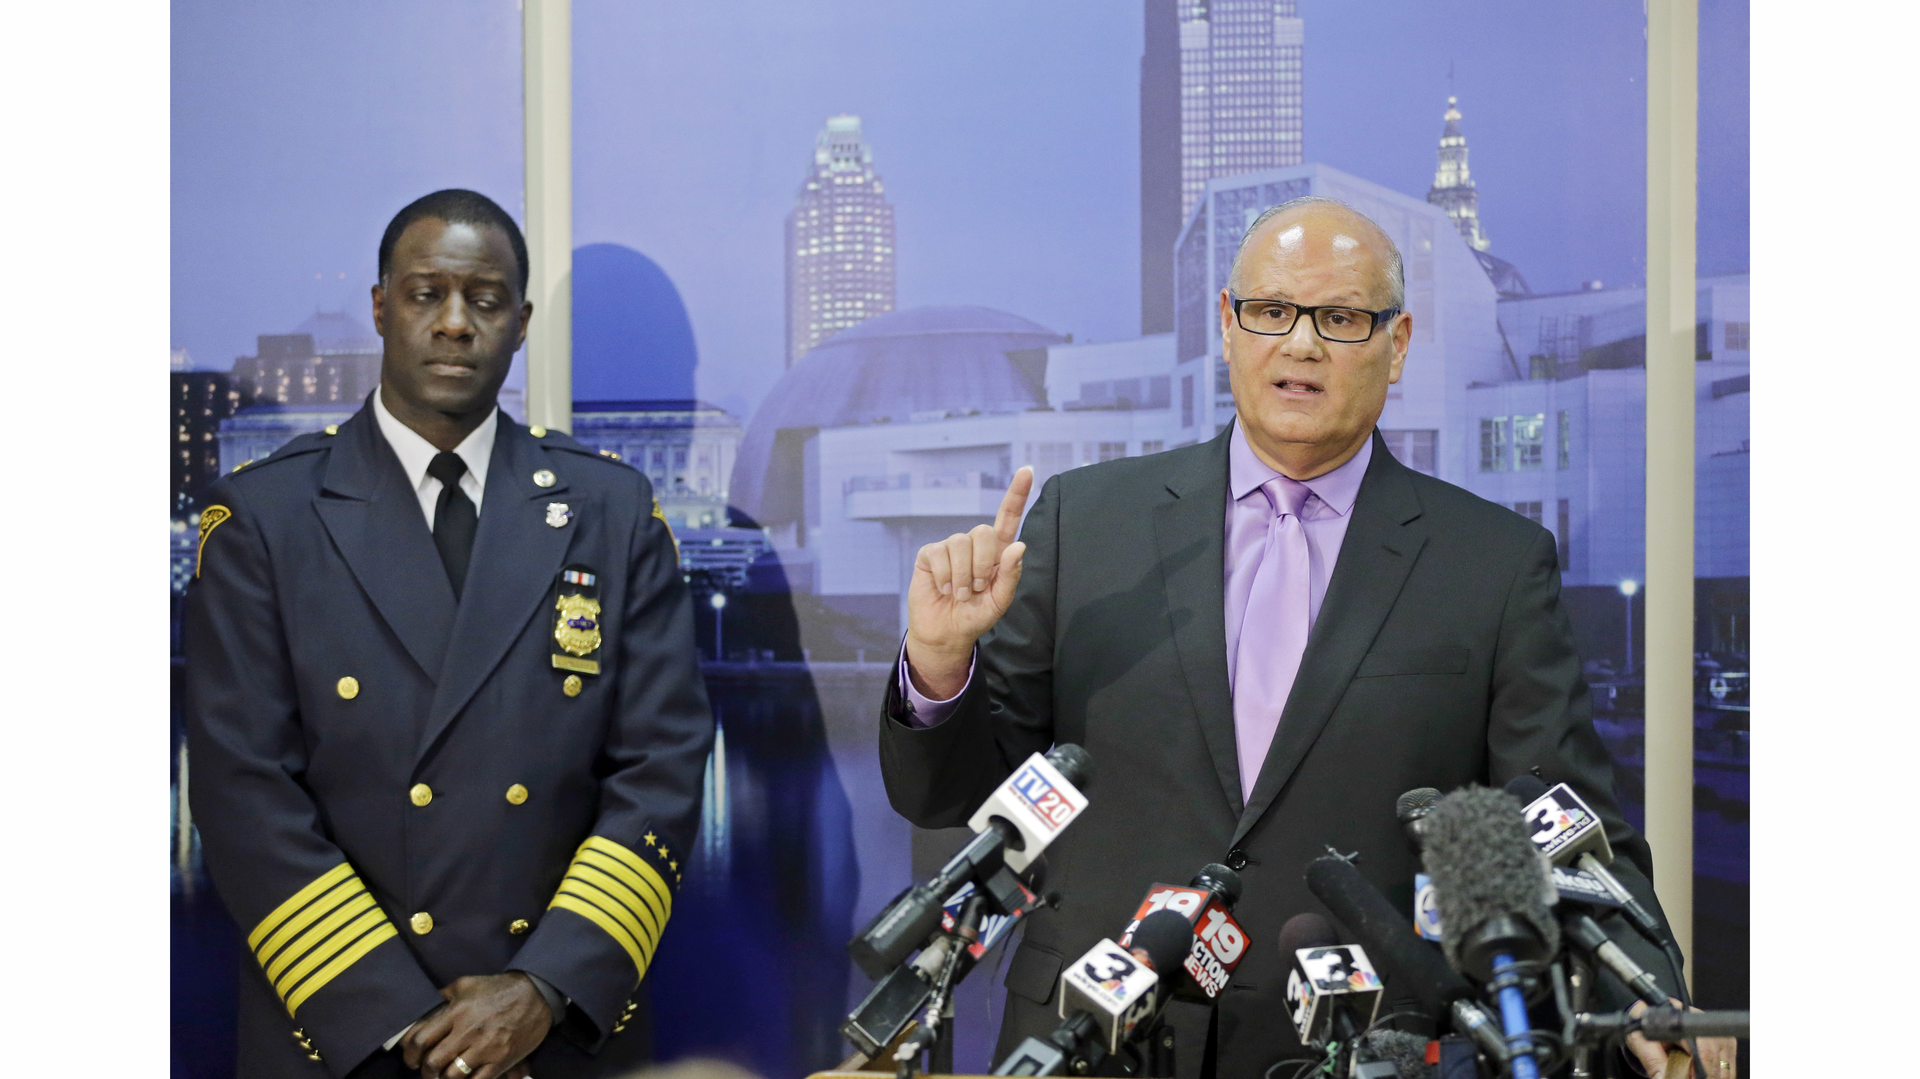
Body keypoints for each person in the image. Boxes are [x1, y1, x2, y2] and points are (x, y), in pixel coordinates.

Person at [879, 196, 1736, 1077]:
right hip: (1091, 1038)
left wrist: (1653, 990)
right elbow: (955, 800)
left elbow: (1564, 823)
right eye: (1272, 311)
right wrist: (941, 665)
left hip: (1361, 1046)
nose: (1300, 344)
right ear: (1228, 324)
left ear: (1397, 343)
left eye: (1340, 318)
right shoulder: (1087, 523)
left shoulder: (1493, 564)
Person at [185, 189, 713, 1079]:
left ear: (522, 322)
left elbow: (660, 771)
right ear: (382, 308)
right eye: (428, 293)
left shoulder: (609, 511)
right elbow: (244, 795)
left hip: (552, 1035)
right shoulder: (264, 517)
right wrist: (403, 1018)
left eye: (486, 299)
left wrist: (539, 989)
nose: (456, 323)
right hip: (343, 1037)